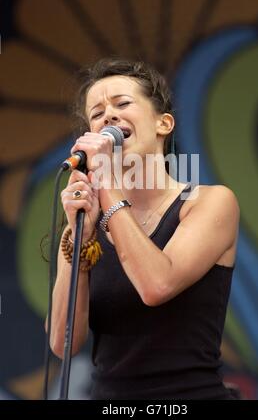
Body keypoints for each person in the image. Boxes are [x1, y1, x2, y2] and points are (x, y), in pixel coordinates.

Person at [49, 57, 240, 400]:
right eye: (96, 113)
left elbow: (157, 285)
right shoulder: (85, 223)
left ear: (163, 123)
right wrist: (79, 236)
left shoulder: (209, 203)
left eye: (122, 104)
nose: (108, 115)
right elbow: (64, 342)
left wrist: (106, 184)